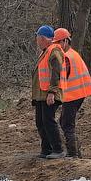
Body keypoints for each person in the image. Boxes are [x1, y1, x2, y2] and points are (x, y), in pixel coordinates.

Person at [53, 27, 91, 159]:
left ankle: (73, 154)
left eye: (58, 43)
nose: (56, 46)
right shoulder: (73, 54)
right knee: (64, 121)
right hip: (78, 94)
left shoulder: (66, 57)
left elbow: (63, 77)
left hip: (72, 95)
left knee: (67, 124)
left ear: (65, 41)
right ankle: (76, 150)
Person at [32, 24, 66, 159]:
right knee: (40, 122)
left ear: (43, 38)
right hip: (42, 94)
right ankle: (46, 150)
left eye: (38, 38)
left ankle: (58, 149)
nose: (37, 41)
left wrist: (52, 92)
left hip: (49, 94)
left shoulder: (53, 51)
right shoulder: (45, 51)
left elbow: (57, 72)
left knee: (48, 121)